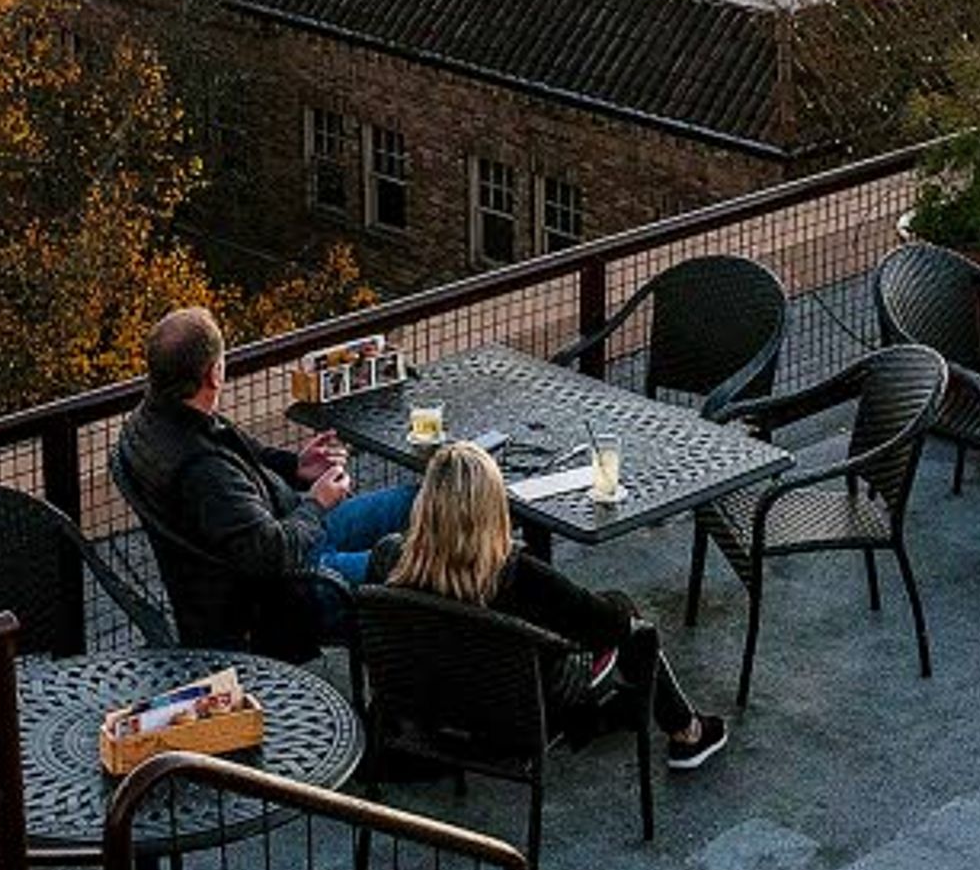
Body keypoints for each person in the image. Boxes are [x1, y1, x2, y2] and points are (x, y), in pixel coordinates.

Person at [384, 443, 730, 771]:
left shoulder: (390, 559)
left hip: (434, 708)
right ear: (493, 508)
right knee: (629, 620)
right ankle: (686, 729)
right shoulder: (520, 577)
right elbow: (609, 624)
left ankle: (642, 713)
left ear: (426, 503)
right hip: (518, 714)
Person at [112, 305, 416, 660]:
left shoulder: (159, 418)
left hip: (292, 528)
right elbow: (272, 553)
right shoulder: (202, 470)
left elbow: (244, 454)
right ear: (214, 374)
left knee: (419, 501)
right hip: (293, 585)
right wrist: (317, 504)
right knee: (421, 559)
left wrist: (296, 467)